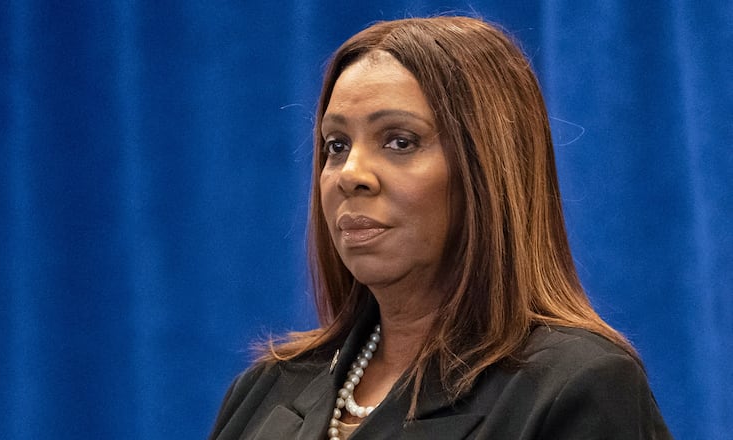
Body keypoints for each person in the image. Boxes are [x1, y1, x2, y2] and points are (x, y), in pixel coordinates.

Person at [209, 16, 671, 439]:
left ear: (488, 170)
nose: (350, 174)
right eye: (336, 144)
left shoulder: (578, 385)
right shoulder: (264, 389)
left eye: (399, 141)